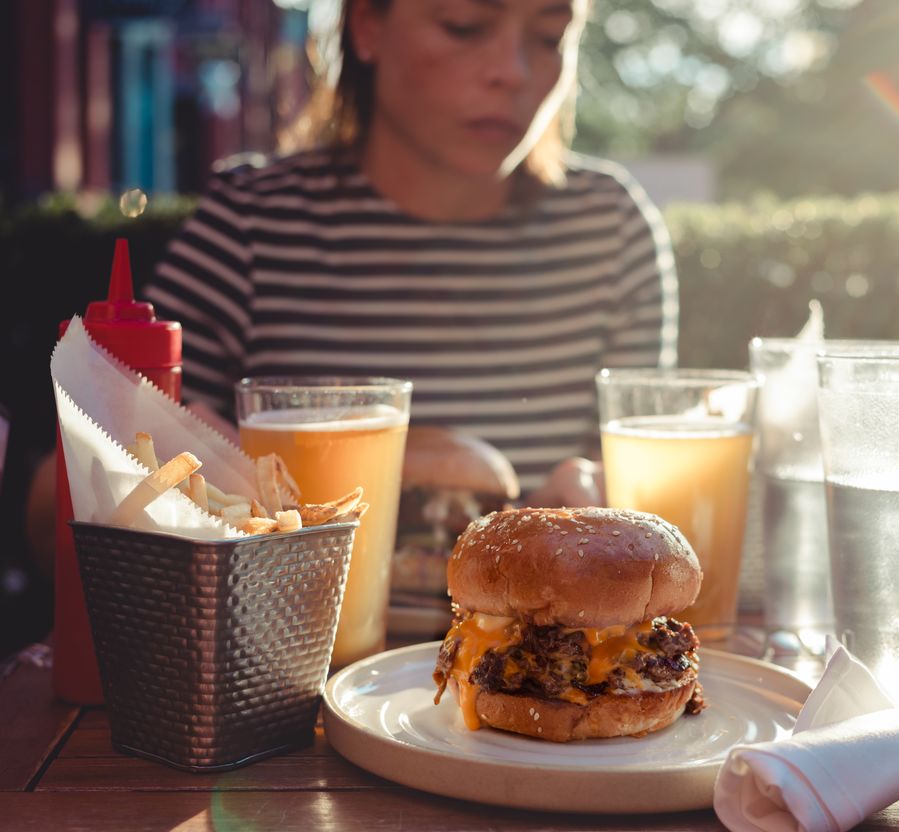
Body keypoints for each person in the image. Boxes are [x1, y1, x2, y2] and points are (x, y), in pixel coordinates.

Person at [143, 0, 678, 507]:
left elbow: (633, 482)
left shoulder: (610, 227)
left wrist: (593, 497)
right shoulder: (251, 225)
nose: (512, 72)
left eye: (548, 37)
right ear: (368, 26)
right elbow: (91, 483)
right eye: (464, 25)